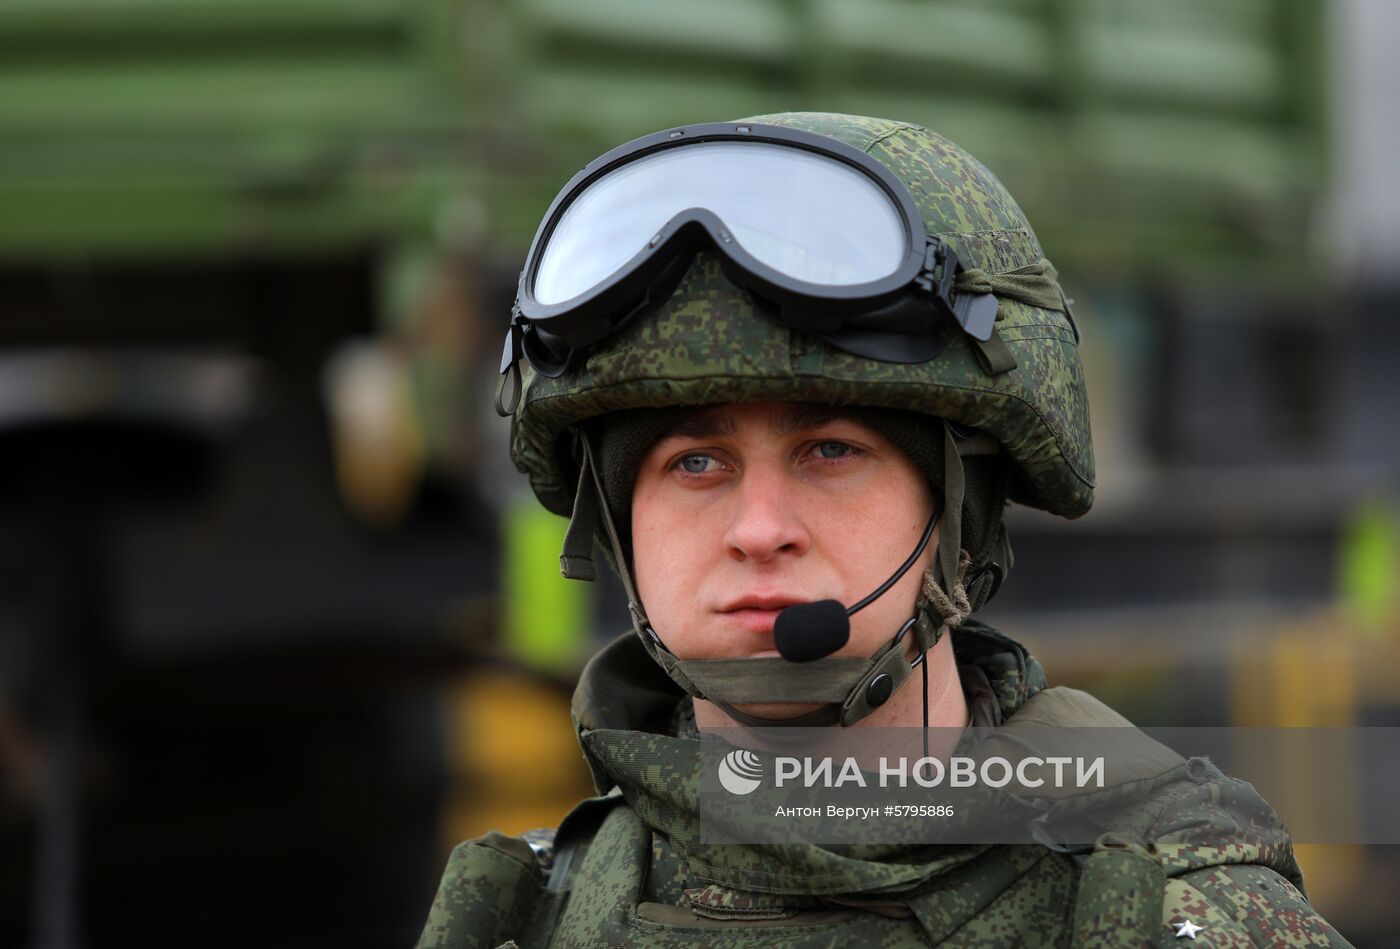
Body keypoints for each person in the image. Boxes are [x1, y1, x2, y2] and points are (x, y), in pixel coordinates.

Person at [418, 113, 1349, 946]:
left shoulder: (1175, 915)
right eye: (696, 463)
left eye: (830, 451)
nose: (759, 530)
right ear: (621, 520)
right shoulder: (528, 915)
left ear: (958, 515)